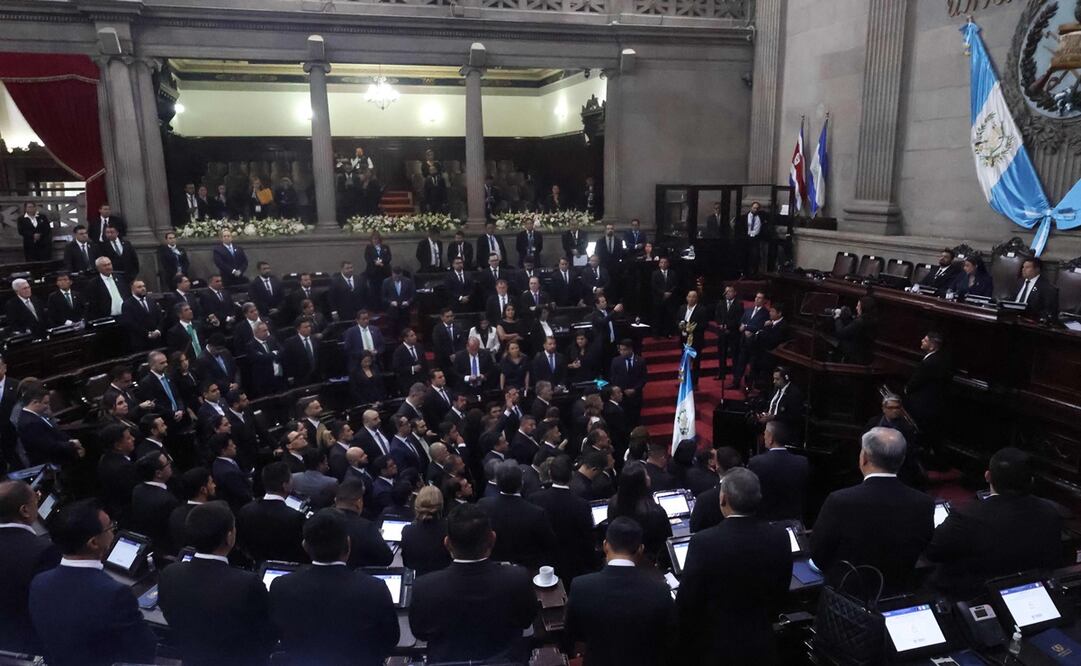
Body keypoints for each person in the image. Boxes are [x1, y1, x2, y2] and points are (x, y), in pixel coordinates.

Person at [676, 468, 792, 666]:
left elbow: (688, 601)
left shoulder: (704, 542)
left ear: (723, 499)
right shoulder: (780, 536)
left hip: (715, 645)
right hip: (763, 640)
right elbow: (782, 589)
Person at [29, 499, 157, 666]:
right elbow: (144, 649)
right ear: (94, 543)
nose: (113, 533)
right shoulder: (114, 593)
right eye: (111, 528)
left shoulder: (39, 582)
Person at [810, 427, 934, 593]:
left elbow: (818, 555)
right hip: (898, 593)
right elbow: (922, 549)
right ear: (902, 460)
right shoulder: (924, 503)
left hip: (847, 597)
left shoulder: (840, 501)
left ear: (864, 458)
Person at [926, 447, 1062, 598]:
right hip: (1033, 591)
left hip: (975, 596)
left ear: (988, 476)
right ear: (1031, 480)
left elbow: (933, 552)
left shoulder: (967, 516)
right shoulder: (1050, 512)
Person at [409, 503, 538, 663]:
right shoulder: (517, 579)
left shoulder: (424, 587)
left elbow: (419, 632)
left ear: (447, 543)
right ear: (492, 538)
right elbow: (527, 620)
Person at [269, 509, 399, 666]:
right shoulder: (374, 589)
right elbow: (390, 639)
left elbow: (275, 634)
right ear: (348, 545)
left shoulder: (280, 587)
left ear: (305, 546)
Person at [158, 501, 275, 666]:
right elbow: (266, 633)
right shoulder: (248, 583)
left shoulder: (170, 573)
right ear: (229, 537)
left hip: (191, 657)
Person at [565, 517, 675, 666]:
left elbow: (573, 633)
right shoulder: (660, 591)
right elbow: (668, 638)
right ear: (641, 549)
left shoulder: (581, 586)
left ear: (605, 546)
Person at [0, 480, 60, 654]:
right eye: (36, 501)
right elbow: (51, 608)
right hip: (29, 645)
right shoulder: (44, 552)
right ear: (25, 510)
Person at [477, 460, 557, 568]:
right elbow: (549, 543)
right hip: (528, 569)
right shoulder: (536, 513)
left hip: (495, 566)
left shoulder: (483, 505)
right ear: (521, 483)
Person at [528, 455, 596, 581]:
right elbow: (587, 538)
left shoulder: (535, 499)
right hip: (574, 565)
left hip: (544, 565)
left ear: (550, 473)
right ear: (571, 475)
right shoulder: (581, 505)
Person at [236, 462, 307, 563]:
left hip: (255, 567)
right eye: (291, 479)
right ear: (285, 485)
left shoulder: (245, 510)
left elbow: (241, 544)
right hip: (288, 569)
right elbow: (299, 551)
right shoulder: (295, 517)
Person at [607, 461, 671, 562]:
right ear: (641, 482)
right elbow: (666, 541)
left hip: (619, 556)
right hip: (649, 562)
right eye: (646, 475)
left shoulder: (613, 503)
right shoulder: (655, 511)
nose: (649, 477)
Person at [748, 421, 809, 521]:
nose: (763, 437)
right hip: (793, 523)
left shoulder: (756, 462)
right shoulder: (802, 462)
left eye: (765, 434)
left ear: (771, 438)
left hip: (766, 523)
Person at [331, 480, 394, 568]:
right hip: (358, 576)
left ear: (336, 500)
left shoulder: (319, 520)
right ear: (358, 502)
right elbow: (387, 558)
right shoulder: (366, 527)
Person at [129, 452, 180, 557]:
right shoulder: (168, 501)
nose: (170, 464)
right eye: (167, 464)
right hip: (164, 550)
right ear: (158, 474)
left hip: (145, 545)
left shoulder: (137, 489)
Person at [401, 485, 452, 575]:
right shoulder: (450, 529)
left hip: (417, 582)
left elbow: (406, 563)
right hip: (445, 581)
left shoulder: (407, 531)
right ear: (441, 505)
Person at [677, 289, 709, 386]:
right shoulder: (682, 308)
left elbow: (704, 324)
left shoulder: (702, 309)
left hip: (696, 340)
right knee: (683, 362)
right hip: (684, 340)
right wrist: (681, 327)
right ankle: (682, 381)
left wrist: (691, 329)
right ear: (687, 298)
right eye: (689, 296)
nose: (691, 299)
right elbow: (677, 320)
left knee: (695, 363)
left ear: (697, 298)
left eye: (693, 297)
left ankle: (694, 383)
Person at [833, 295, 878, 365]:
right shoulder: (873, 319)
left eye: (858, 306)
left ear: (864, 308)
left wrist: (837, 317)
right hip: (866, 355)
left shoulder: (860, 322)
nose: (856, 308)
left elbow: (840, 333)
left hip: (856, 356)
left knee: (833, 341)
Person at [283, 317, 322, 386]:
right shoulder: (290, 343)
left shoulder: (316, 339)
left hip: (318, 377)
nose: (309, 329)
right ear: (298, 329)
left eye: (309, 326)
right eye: (305, 327)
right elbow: (288, 361)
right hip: (301, 379)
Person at [650, 257, 679, 337]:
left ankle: (668, 333)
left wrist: (669, 292)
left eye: (665, 262)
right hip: (659, 299)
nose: (663, 264)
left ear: (668, 264)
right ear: (659, 264)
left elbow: (675, 285)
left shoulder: (673, 273)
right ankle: (656, 334)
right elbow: (654, 286)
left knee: (669, 317)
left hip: (670, 299)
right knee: (657, 317)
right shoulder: (655, 274)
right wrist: (663, 293)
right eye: (662, 262)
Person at [381, 266, 415, 333]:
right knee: (393, 333)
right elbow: (383, 297)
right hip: (392, 313)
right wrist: (390, 302)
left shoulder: (408, 281)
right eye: (395, 276)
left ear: (401, 274)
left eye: (399, 276)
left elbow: (413, 296)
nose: (397, 278)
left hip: (405, 312)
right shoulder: (386, 282)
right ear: (392, 273)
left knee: (405, 332)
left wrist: (408, 302)